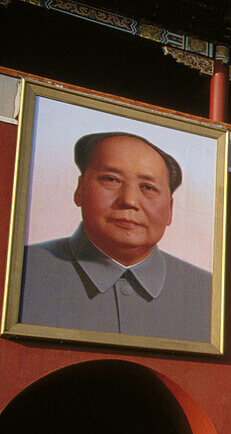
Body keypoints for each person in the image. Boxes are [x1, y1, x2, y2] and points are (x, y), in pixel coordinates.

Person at [19, 132, 212, 342]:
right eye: (111, 180)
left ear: (170, 210)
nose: (129, 201)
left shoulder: (206, 292)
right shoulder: (23, 268)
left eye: (148, 187)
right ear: (80, 189)